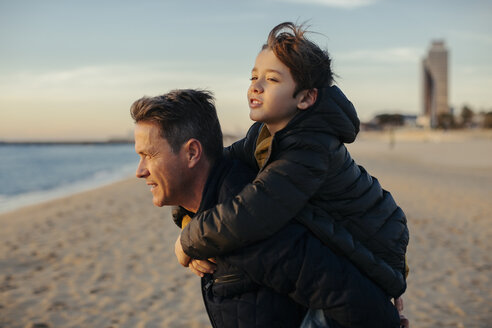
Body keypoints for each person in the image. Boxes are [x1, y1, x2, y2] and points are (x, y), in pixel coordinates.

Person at [176, 22, 410, 323]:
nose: (255, 87)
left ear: (305, 98)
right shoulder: (262, 134)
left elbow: (256, 211)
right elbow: (215, 170)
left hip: (373, 247)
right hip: (342, 239)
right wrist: (185, 216)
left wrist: (190, 240)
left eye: (271, 79)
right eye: (254, 76)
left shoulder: (309, 147)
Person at [131, 89, 401, 327]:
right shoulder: (217, 209)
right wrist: (189, 230)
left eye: (149, 155)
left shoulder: (246, 226)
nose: (139, 171)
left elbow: (347, 293)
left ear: (192, 153)